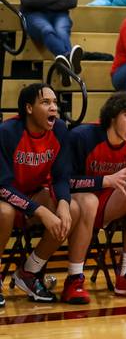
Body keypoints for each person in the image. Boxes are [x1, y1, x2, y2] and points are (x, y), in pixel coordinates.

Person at [67, 93, 126, 300]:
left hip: (109, 205)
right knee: (89, 200)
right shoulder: (82, 137)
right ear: (112, 118)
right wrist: (105, 181)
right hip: (76, 205)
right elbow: (66, 182)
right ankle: (74, 279)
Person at [0, 84, 84, 304]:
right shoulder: (7, 133)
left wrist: (64, 204)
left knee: (72, 209)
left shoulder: (59, 131)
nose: (54, 108)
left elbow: (61, 177)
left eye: (55, 102)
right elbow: (3, 186)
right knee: (4, 211)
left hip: (32, 196)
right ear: (29, 108)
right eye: (46, 103)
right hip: (5, 196)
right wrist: (41, 212)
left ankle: (29, 272)